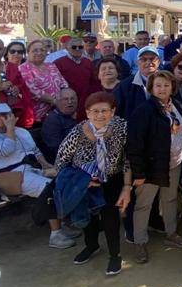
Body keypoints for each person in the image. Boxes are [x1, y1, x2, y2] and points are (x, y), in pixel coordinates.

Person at [54, 91, 132, 276]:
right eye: (95, 111)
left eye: (104, 110)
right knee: (87, 217)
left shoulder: (122, 128)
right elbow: (61, 161)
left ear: (112, 112)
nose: (100, 115)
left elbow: (129, 160)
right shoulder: (77, 132)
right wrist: (79, 182)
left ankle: (115, 255)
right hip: (84, 182)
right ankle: (92, 246)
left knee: (111, 219)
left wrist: (126, 187)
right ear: (87, 113)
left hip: (112, 180)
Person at [0, 104, 73, 248]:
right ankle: (56, 234)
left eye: (5, 115)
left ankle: (61, 222)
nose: (1, 119)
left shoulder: (21, 131)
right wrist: (10, 129)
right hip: (9, 177)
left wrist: (47, 165)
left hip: (31, 170)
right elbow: (5, 151)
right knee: (48, 188)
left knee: (66, 179)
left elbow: (35, 152)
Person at [126, 70, 182, 263]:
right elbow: (135, 144)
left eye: (166, 85)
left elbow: (179, 130)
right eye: (158, 85)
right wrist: (139, 172)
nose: (162, 89)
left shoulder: (175, 105)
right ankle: (140, 242)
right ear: (151, 88)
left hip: (174, 162)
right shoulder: (144, 110)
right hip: (151, 166)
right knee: (144, 204)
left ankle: (171, 234)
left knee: (170, 199)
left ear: (172, 88)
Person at [19, 39, 69, 127]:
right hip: (37, 115)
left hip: (58, 111)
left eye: (42, 50)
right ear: (28, 53)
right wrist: (54, 101)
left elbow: (63, 83)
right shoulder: (24, 68)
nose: (39, 53)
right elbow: (32, 89)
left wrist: (64, 99)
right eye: (35, 50)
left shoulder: (51, 65)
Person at [53, 36, 98, 120]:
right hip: (67, 103)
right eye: (74, 47)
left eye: (80, 47)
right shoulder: (58, 63)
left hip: (85, 102)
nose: (77, 49)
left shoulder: (88, 62)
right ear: (67, 47)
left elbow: (94, 82)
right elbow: (55, 84)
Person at [113, 45, 162, 118]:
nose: (148, 62)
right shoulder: (124, 86)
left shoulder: (168, 82)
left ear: (158, 62)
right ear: (137, 62)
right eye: (144, 59)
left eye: (152, 59)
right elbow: (117, 113)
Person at [40, 88, 80, 164]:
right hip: (65, 162)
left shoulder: (82, 115)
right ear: (57, 102)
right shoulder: (52, 120)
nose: (70, 102)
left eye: (72, 99)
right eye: (65, 99)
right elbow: (56, 149)